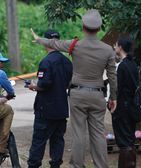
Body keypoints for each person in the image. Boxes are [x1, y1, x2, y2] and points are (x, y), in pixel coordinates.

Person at [31, 9, 117, 168]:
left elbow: (53, 43)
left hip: (78, 94)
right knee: (98, 134)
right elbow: (112, 76)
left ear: (84, 27)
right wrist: (114, 98)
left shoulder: (75, 45)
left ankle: (77, 165)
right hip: (98, 95)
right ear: (99, 28)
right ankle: (101, 165)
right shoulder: (108, 50)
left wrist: (38, 38)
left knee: (79, 133)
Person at [27, 29, 73, 168]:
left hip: (45, 109)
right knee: (58, 139)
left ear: (46, 43)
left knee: (39, 141)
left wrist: (34, 86)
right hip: (61, 108)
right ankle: (55, 165)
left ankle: (34, 165)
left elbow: (44, 84)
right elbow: (69, 83)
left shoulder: (46, 62)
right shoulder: (67, 62)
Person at [112, 36, 138, 168]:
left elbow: (118, 88)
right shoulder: (133, 64)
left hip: (123, 107)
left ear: (121, 47)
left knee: (124, 142)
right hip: (132, 106)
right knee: (129, 140)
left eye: (116, 44)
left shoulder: (122, 66)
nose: (114, 46)